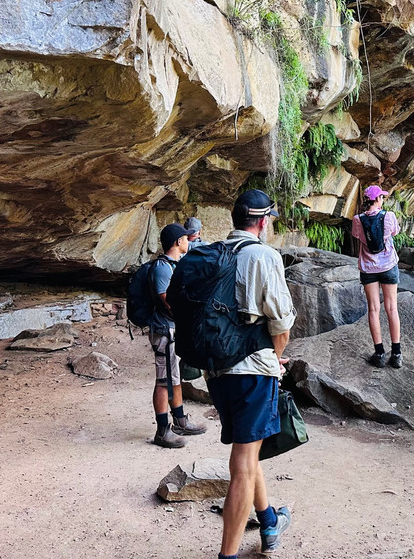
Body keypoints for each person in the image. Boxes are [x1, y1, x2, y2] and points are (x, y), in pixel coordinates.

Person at [205, 189, 296, 558]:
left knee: (249, 447)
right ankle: (227, 554)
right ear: (262, 221)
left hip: (216, 370)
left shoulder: (210, 254)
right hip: (253, 372)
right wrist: (275, 360)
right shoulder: (264, 255)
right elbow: (282, 324)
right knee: (243, 462)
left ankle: (269, 521)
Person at [150, 222, 208, 448]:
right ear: (177, 242)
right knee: (163, 380)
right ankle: (162, 430)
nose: (188, 241)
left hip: (172, 329)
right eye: (185, 238)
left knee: (174, 378)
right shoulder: (163, 268)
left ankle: (180, 420)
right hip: (164, 330)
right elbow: (168, 302)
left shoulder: (176, 264)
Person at [351, 185, 403, 368]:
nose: (383, 199)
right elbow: (395, 232)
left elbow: (358, 236)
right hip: (388, 265)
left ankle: (379, 353)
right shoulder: (389, 217)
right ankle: (396, 354)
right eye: (382, 197)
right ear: (378, 199)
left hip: (368, 268)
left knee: (374, 309)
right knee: (392, 308)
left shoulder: (358, 220)